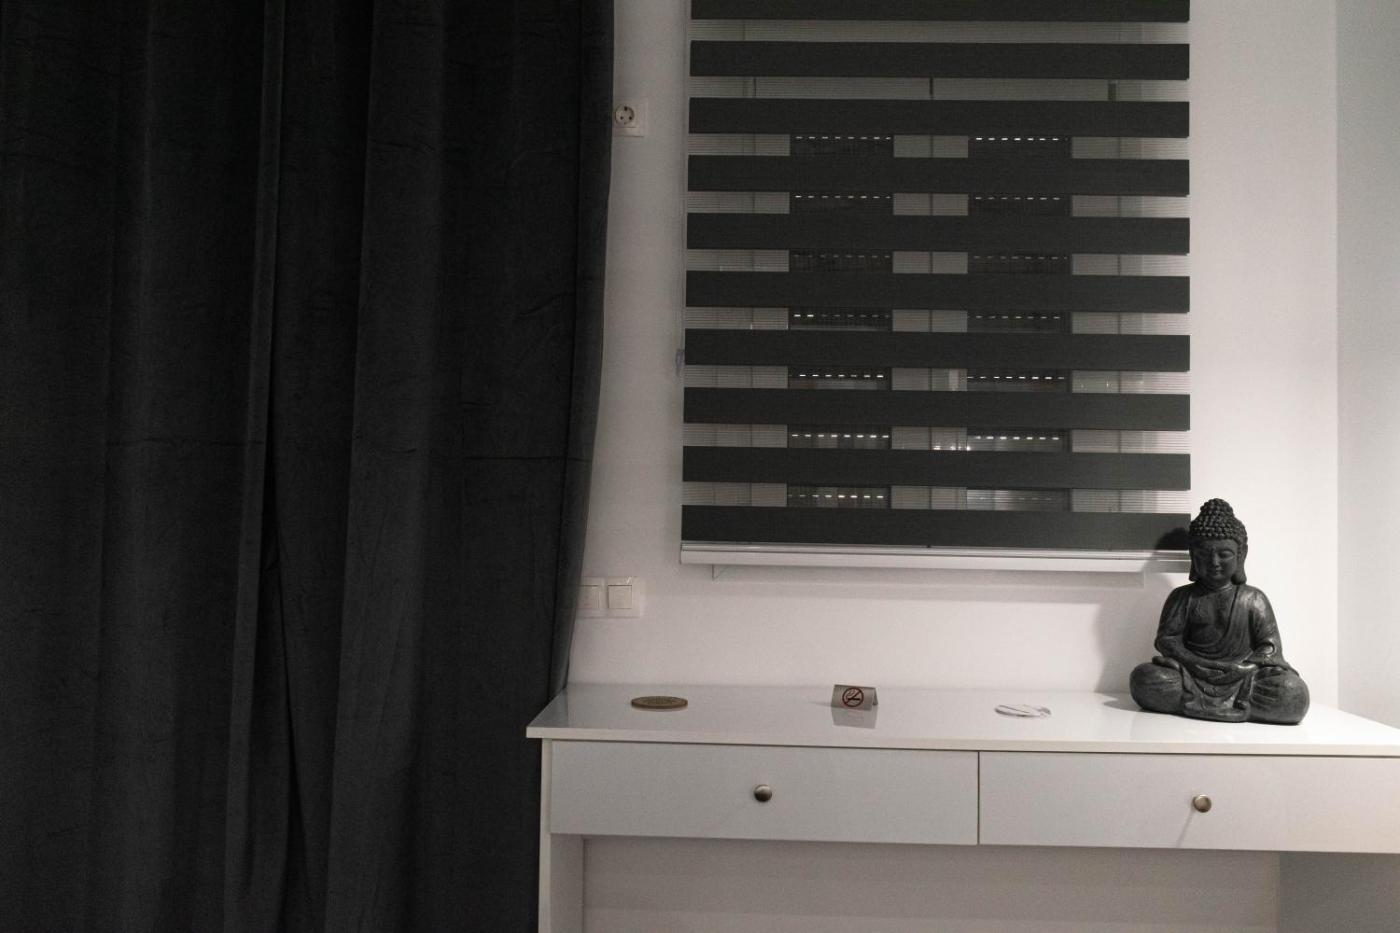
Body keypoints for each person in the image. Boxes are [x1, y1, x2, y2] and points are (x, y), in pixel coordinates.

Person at [1130, 499, 1310, 724]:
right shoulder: (1182, 597)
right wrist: (1194, 663)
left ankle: (1232, 704)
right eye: (1204, 555)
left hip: (1243, 678)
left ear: (1241, 555)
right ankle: (1203, 702)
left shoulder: (1254, 599)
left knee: (1292, 691)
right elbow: (1167, 640)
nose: (1214, 562)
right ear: (1193, 556)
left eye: (1224, 554)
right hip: (1191, 675)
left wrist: (1245, 668)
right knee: (1144, 678)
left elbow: (1270, 647)